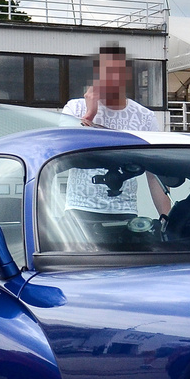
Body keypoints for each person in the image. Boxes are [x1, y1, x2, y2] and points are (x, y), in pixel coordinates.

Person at [60, 45, 172, 238]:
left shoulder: (144, 117)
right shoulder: (75, 108)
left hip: (124, 211)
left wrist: (166, 217)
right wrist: (90, 114)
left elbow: (155, 172)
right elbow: (65, 150)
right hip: (79, 209)